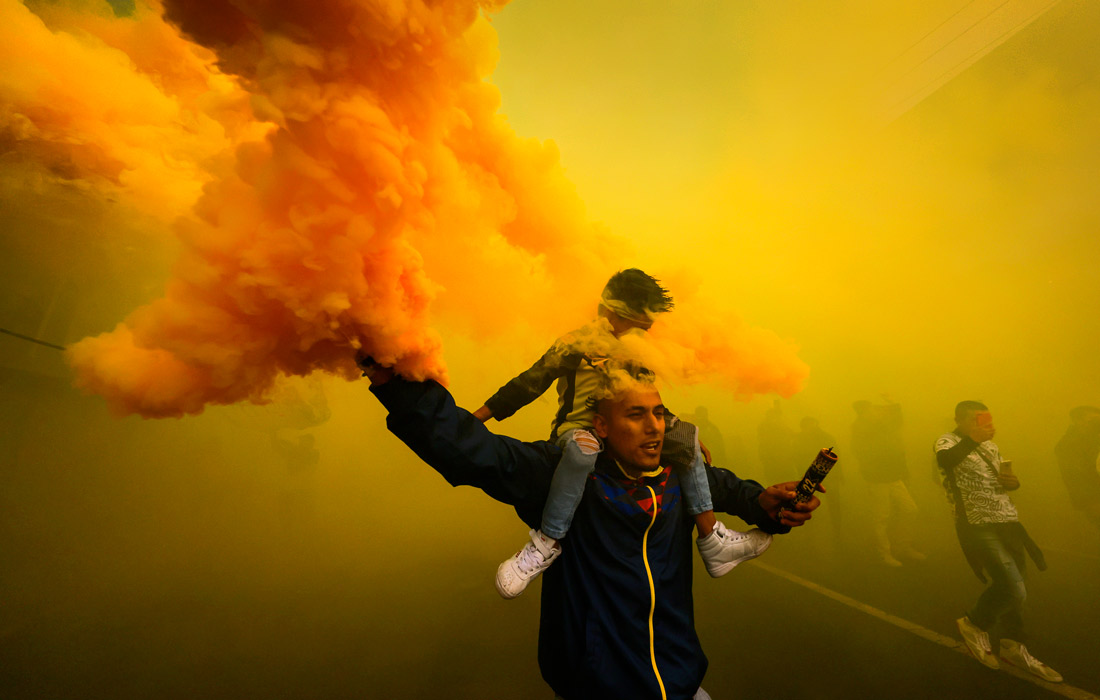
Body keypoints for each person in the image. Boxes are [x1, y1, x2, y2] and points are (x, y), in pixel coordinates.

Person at [362, 357, 820, 699]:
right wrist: (395, 382)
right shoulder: (560, 476)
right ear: (601, 425)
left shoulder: (676, 478)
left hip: (680, 681)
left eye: (659, 413)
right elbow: (469, 450)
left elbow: (734, 490)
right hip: (599, 687)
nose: (654, 428)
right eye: (635, 415)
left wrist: (766, 505)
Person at [473, 269, 769, 598]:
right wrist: (477, 418)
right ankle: (545, 544)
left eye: (646, 330)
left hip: (627, 433)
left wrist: (673, 428)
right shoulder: (576, 344)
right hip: (580, 430)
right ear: (611, 313)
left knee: (686, 436)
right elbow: (527, 384)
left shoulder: (638, 354)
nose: (642, 336)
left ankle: (713, 540)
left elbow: (648, 401)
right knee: (581, 450)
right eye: (637, 327)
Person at [935, 401, 1061, 682]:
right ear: (959, 420)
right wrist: (972, 439)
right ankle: (972, 623)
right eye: (973, 420)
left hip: (1007, 521)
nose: (980, 424)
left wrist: (1012, 482)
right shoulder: (948, 441)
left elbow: (1003, 482)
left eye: (983, 419)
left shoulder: (991, 446)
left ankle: (1012, 645)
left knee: (1016, 585)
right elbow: (946, 461)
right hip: (977, 524)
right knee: (1013, 587)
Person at [851, 396, 922, 566]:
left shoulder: (879, 425)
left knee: (911, 510)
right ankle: (885, 553)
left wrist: (895, 405)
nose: (875, 411)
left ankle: (902, 547)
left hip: (892, 476)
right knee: (881, 517)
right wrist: (872, 471)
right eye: (871, 409)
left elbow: (895, 431)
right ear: (863, 411)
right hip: (877, 478)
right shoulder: (861, 427)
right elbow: (862, 452)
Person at [1055, 405, 1100, 531]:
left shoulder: (1094, 438)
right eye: (1093, 420)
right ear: (1078, 421)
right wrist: (1091, 503)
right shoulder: (1068, 445)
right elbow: (1076, 479)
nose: (1097, 424)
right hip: (1095, 501)